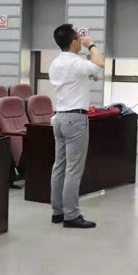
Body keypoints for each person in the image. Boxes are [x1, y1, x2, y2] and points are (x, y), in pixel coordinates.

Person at [48, 23, 105, 229]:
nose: (80, 41)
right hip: (75, 120)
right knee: (73, 170)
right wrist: (91, 45)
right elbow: (100, 64)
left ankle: (58, 211)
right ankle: (71, 215)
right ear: (73, 42)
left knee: (59, 167)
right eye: (78, 39)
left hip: (60, 118)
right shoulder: (75, 62)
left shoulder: (56, 63)